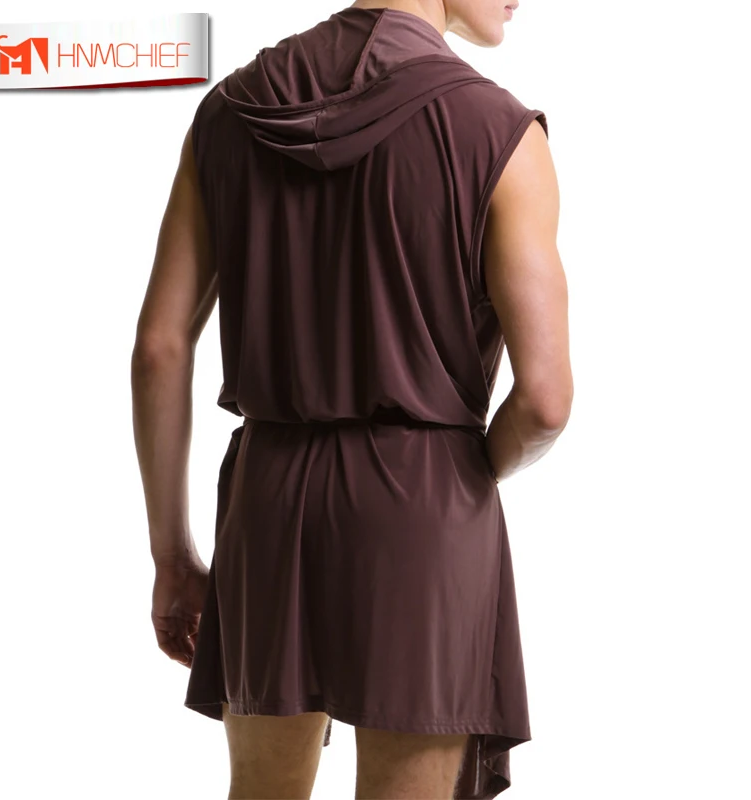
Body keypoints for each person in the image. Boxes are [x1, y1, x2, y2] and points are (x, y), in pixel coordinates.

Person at [131, 1, 572, 798]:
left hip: (268, 497)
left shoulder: (229, 112)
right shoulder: (499, 132)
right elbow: (544, 402)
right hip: (422, 504)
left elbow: (160, 349)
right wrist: (469, 470)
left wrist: (172, 555)